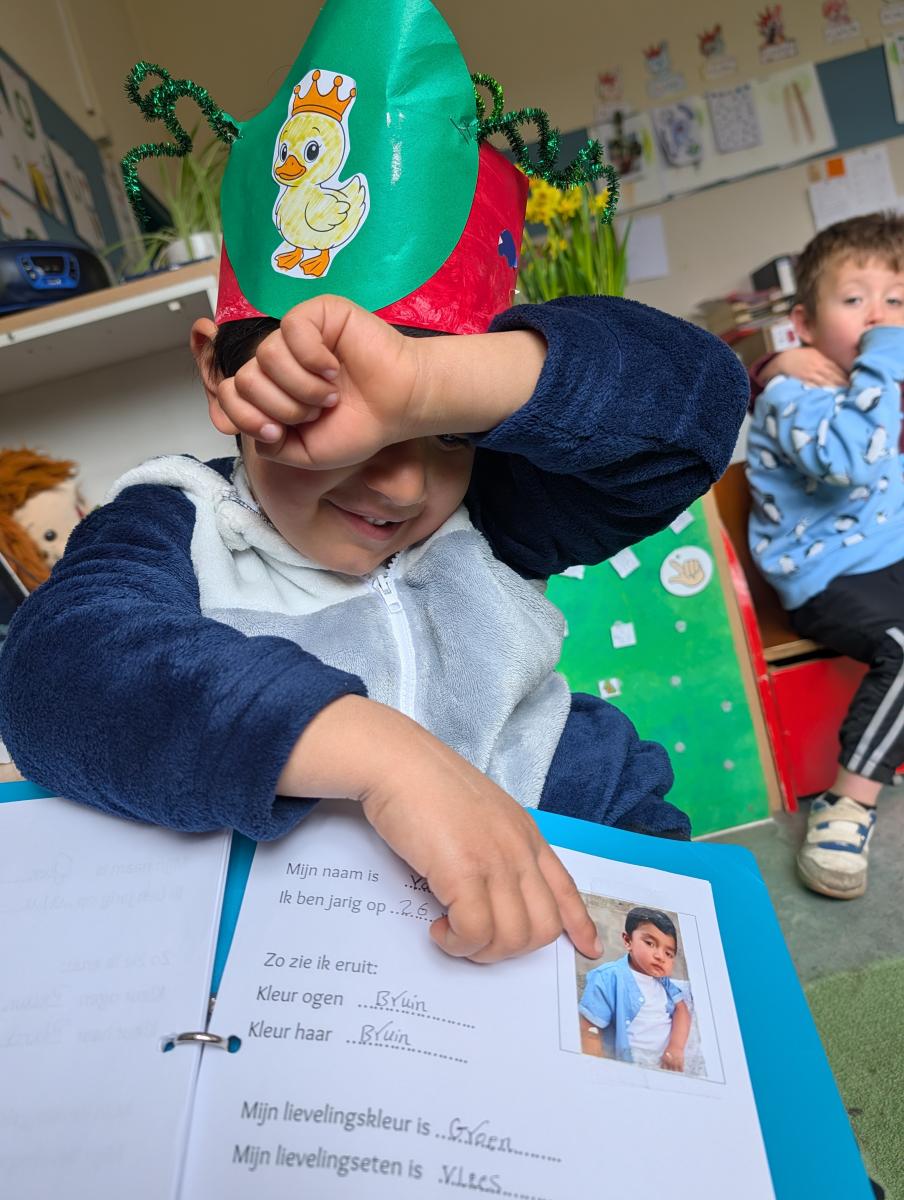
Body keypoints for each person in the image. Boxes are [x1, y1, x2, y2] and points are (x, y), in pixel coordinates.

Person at [0, 0, 748, 966]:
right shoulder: (177, 517)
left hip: (576, 885)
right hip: (326, 966)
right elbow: (55, 676)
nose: (400, 485)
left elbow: (693, 409)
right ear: (220, 371)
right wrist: (381, 753)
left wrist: (435, 384)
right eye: (331, 410)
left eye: (445, 435)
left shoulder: (495, 509)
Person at [746, 212, 904, 899]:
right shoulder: (793, 392)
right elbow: (851, 462)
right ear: (806, 325)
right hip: (826, 576)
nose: (879, 316)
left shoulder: (887, 383)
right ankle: (847, 803)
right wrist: (772, 367)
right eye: (855, 299)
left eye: (895, 299)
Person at [578, 906, 691, 1070]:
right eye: (650, 943)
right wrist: (599, 1069)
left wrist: (676, 1047)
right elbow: (589, 1029)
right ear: (628, 940)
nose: (660, 956)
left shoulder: (663, 982)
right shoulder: (609, 977)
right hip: (634, 1061)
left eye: (668, 954)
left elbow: (681, 1009)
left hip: (667, 1059)